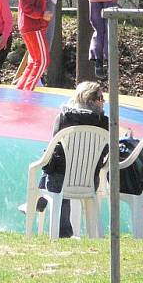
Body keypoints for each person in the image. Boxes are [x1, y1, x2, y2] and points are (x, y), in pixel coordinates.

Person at [39, 81, 109, 238]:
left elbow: (55, 147)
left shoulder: (64, 118)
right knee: (59, 168)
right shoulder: (103, 123)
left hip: (61, 180)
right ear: (89, 99)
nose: (103, 101)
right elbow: (105, 151)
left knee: (53, 165)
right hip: (90, 180)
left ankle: (60, 226)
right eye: (100, 97)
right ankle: (42, 201)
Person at [6, 0, 52, 91]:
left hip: (27, 27)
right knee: (43, 61)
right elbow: (27, 8)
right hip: (33, 27)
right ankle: (28, 91)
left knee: (34, 61)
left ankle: (21, 90)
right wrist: (42, 15)